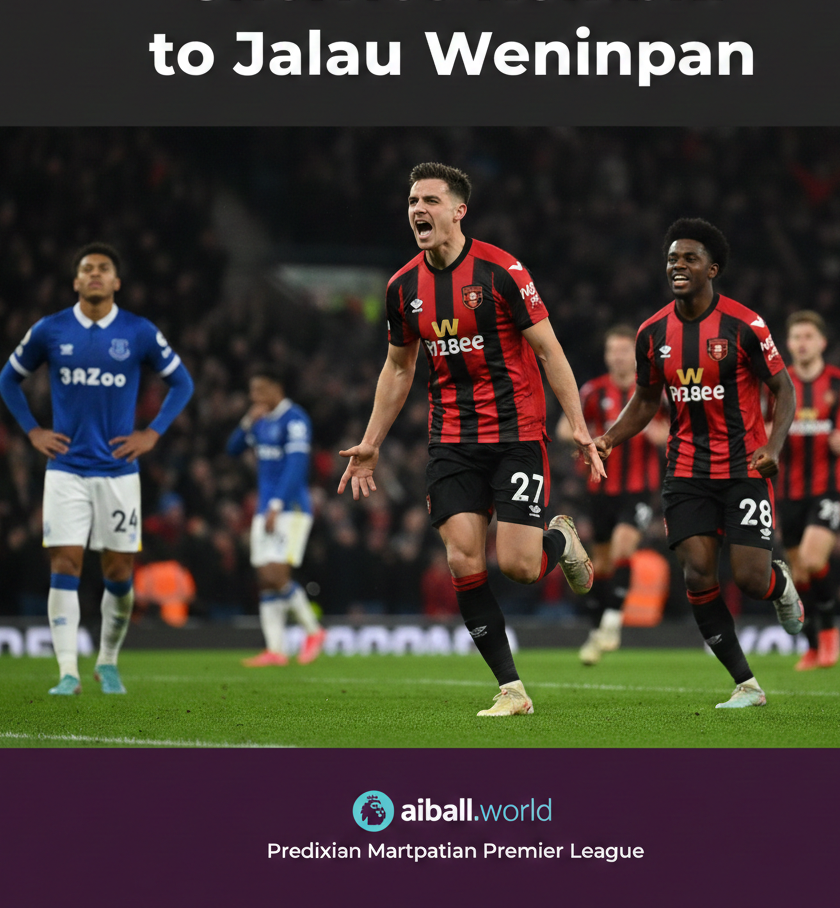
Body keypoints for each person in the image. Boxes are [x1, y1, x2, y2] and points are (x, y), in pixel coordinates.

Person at [338, 162, 606, 716]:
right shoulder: (402, 287)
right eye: (413, 201)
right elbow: (397, 369)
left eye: (430, 201)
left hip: (516, 433)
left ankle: (561, 541)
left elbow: (550, 350)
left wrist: (577, 425)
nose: (418, 210)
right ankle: (512, 689)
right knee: (462, 560)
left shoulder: (502, 271)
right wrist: (372, 441)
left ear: (459, 211)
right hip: (452, 438)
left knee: (519, 567)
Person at [595, 218, 802, 709]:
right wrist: (609, 439)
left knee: (751, 579)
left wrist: (772, 447)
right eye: (672, 258)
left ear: (713, 267)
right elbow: (646, 402)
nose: (678, 266)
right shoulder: (652, 333)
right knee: (698, 573)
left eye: (688, 258)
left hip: (744, 469)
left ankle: (781, 585)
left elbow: (784, 390)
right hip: (686, 472)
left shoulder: (744, 326)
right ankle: (745, 685)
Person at [0, 242, 194, 695]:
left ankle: (107, 660)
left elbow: (182, 382)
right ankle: (67, 671)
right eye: (87, 269)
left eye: (103, 269)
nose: (95, 275)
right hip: (66, 468)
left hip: (119, 472)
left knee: (120, 573)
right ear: (76, 281)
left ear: (116, 281)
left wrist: (153, 433)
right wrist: (31, 431)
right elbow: (7, 378)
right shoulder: (51, 329)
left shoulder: (138, 331)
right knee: (64, 562)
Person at [557, 325, 668, 664]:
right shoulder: (594, 391)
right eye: (613, 351)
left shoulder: (653, 393)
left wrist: (648, 428)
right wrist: (586, 438)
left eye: (624, 351)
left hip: (639, 488)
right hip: (599, 487)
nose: (618, 357)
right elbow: (564, 428)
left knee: (624, 547)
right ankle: (596, 630)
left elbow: (670, 433)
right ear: (606, 356)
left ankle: (612, 622)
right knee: (601, 563)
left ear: (635, 356)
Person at [777, 311, 840, 670]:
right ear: (788, 344)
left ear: (822, 342)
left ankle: (830, 632)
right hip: (787, 491)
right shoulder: (777, 383)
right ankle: (810, 646)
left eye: (808, 336)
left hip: (829, 488)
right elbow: (758, 423)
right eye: (795, 337)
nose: (802, 343)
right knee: (799, 572)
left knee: (812, 559)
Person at [226, 366, 324, 666]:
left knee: (276, 574)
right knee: (265, 580)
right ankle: (276, 650)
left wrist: (277, 504)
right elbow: (232, 449)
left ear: (275, 388)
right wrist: (246, 421)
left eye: (258, 390)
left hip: (289, 508)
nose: (253, 396)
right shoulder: (260, 422)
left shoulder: (295, 420)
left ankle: (313, 630)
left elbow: (296, 467)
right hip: (264, 508)